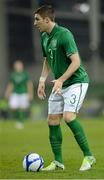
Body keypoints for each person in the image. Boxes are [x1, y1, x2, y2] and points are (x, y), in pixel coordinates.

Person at [34, 5, 96, 171]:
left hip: (76, 81)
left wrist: (60, 79)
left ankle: (89, 156)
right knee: (52, 120)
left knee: (68, 117)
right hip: (60, 82)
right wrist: (42, 79)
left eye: (37, 19)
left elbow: (76, 62)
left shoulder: (64, 35)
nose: (35, 23)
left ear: (47, 20)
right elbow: (47, 59)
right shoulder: (44, 36)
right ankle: (58, 162)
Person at [5, 60, 33, 129]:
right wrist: (7, 92)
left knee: (22, 108)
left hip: (23, 93)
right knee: (13, 107)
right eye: (17, 65)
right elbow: (11, 85)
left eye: (19, 65)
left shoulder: (25, 74)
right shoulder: (13, 75)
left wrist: (30, 94)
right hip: (15, 93)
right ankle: (18, 119)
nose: (18, 67)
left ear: (22, 66)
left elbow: (29, 84)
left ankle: (21, 122)